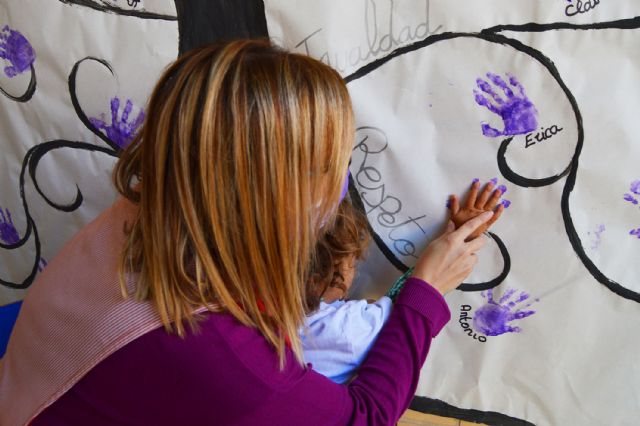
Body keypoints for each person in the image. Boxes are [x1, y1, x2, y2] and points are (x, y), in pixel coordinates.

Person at [0, 40, 501, 425]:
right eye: (327, 168)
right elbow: (364, 417)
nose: (341, 184)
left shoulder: (154, 204)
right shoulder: (221, 360)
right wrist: (426, 291)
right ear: (268, 197)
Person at [302, 181, 504, 385]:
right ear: (321, 278)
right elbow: (408, 308)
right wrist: (460, 238)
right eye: (352, 263)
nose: (355, 269)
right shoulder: (345, 330)